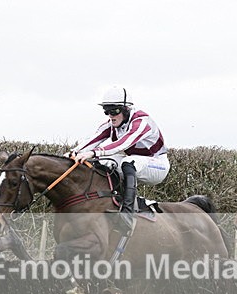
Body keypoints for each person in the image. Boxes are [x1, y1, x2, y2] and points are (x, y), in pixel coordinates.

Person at [70, 86, 170, 232]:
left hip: (158, 165)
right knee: (104, 163)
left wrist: (94, 152)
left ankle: (127, 214)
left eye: (114, 111)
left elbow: (123, 143)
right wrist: (71, 154)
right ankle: (111, 201)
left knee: (127, 162)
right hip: (137, 162)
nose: (110, 115)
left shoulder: (142, 122)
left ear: (126, 109)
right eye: (106, 111)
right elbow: (92, 140)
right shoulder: (111, 124)